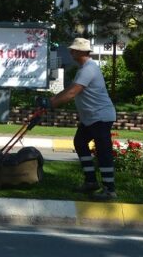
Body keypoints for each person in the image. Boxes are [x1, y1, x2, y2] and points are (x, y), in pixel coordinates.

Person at [41, 38, 117, 201]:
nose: (71, 52)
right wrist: (51, 100)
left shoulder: (89, 69)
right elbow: (69, 90)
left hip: (100, 116)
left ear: (82, 52)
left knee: (103, 152)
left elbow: (71, 93)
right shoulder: (83, 69)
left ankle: (109, 190)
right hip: (91, 118)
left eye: (74, 50)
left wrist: (51, 104)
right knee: (80, 143)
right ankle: (91, 182)